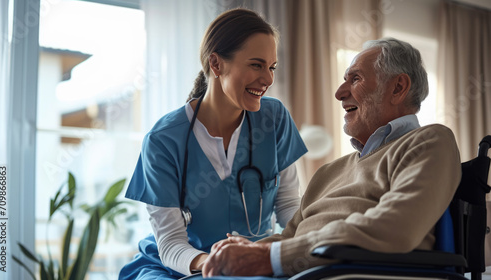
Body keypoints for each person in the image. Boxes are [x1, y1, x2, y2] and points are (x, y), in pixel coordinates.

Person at [200, 37, 462, 278]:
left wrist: (268, 257)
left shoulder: (429, 142)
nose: (339, 93)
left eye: (355, 79)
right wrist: (242, 251)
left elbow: (397, 227)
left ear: (398, 87)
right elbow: (290, 238)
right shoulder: (328, 172)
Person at [119, 8, 308, 280]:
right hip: (180, 266)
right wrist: (221, 261)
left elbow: (290, 208)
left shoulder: (274, 119)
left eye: (271, 67)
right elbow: (171, 244)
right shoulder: (163, 141)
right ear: (217, 64)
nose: (268, 79)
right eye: (256, 65)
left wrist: (290, 251)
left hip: (252, 262)